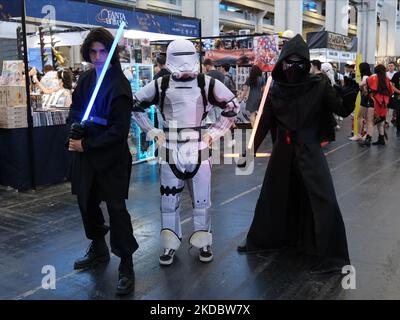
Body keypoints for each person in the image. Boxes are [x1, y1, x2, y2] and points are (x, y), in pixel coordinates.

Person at [237, 34, 358, 274]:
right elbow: (263, 122)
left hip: (309, 150)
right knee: (274, 196)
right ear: (282, 62)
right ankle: (265, 240)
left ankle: (330, 256)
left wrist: (350, 89)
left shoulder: (318, 85)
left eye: (298, 62)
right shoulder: (275, 89)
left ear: (306, 62)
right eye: (288, 62)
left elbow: (342, 110)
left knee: (322, 200)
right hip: (284, 153)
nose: (293, 67)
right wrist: (249, 151)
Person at [132, 39, 239, 266]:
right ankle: (170, 244)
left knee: (202, 200)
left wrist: (213, 133)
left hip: (197, 146)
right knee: (169, 201)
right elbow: (135, 105)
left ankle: (204, 242)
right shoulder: (161, 84)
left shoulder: (206, 83)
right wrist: (152, 131)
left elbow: (232, 106)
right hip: (171, 147)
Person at [67, 27, 138, 295]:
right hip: (85, 158)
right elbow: (75, 110)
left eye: (103, 51)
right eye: (94, 51)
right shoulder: (85, 80)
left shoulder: (120, 84)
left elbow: (119, 131)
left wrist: (87, 144)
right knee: (86, 202)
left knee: (116, 209)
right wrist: (74, 129)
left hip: (111, 158)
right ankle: (98, 248)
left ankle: (126, 264)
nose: (98, 57)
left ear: (111, 52)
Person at [360, 64, 394, 146]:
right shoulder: (387, 79)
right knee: (380, 122)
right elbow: (391, 91)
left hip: (374, 102)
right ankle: (381, 139)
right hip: (384, 104)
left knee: (370, 121)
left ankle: (368, 139)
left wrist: (364, 90)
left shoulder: (373, 77)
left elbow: (361, 84)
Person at [349, 62, 371, 142]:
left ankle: (359, 134)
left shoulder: (365, 76)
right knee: (367, 118)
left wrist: (360, 87)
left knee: (359, 117)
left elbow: (363, 87)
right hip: (368, 99)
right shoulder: (370, 75)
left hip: (365, 99)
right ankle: (365, 135)